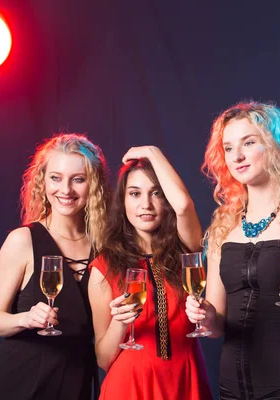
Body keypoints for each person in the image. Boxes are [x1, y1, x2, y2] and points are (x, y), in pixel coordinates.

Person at [185, 101, 280, 400]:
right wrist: (204, 316)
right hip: (231, 387)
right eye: (228, 148)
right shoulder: (221, 227)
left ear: (274, 146)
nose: (237, 156)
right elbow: (216, 327)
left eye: (249, 143)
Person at [0, 134, 110, 400]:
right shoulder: (23, 240)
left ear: (93, 185)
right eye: (56, 177)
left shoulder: (104, 247)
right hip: (18, 383)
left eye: (78, 179)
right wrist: (25, 318)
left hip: (76, 382)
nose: (66, 190)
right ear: (43, 181)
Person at [88, 146, 212, 400]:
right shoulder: (104, 266)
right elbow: (103, 358)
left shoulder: (186, 250)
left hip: (185, 380)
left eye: (156, 193)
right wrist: (120, 322)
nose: (146, 204)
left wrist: (153, 153)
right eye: (134, 194)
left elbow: (185, 205)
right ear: (122, 202)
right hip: (130, 386)